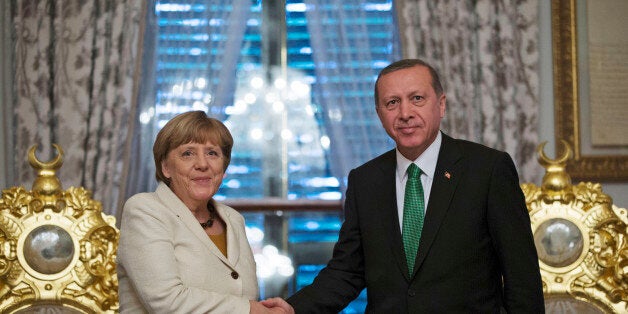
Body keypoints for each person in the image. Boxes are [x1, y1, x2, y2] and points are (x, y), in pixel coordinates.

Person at [263, 59, 544, 313]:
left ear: (441, 104)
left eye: (417, 98)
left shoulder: (487, 169)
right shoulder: (365, 181)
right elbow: (347, 271)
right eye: (392, 103)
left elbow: (522, 278)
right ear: (379, 113)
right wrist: (292, 309)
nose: (405, 113)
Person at [117, 111, 284, 313]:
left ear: (223, 167)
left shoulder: (233, 219)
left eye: (212, 153)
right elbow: (167, 302)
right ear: (166, 167)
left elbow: (239, 297)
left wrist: (270, 309)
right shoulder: (145, 210)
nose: (202, 164)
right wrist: (251, 310)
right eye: (188, 153)